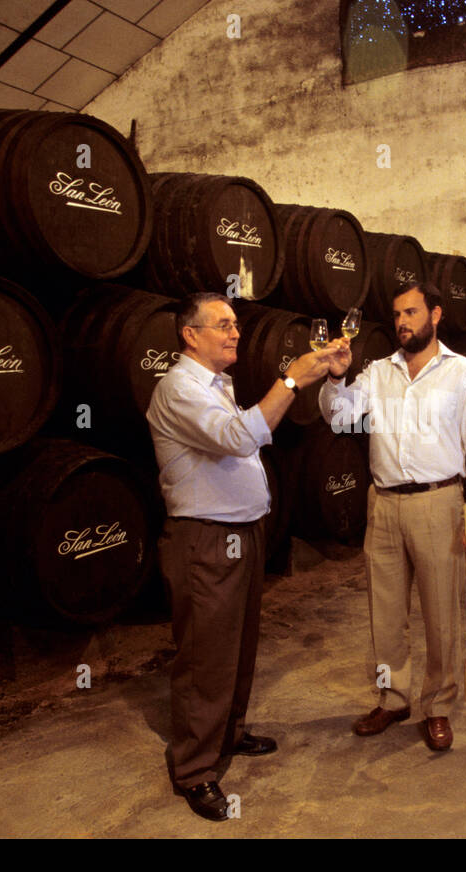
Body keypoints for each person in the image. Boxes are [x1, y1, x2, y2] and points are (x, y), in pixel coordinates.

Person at [146, 293, 333, 821]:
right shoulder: (180, 388)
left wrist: (319, 374)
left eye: (235, 325)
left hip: (240, 533)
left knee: (238, 643)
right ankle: (195, 769)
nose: (235, 333)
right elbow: (239, 437)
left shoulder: (217, 385)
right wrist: (292, 379)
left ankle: (228, 733)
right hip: (204, 538)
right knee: (206, 655)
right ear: (190, 335)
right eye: (222, 325)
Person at [319, 281, 466, 751]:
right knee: (386, 612)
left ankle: (437, 707)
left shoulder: (464, 374)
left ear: (435, 315)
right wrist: (336, 377)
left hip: (438, 502)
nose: (403, 322)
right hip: (383, 504)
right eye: (397, 314)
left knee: (440, 613)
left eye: (412, 312)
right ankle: (393, 697)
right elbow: (340, 419)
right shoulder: (378, 372)